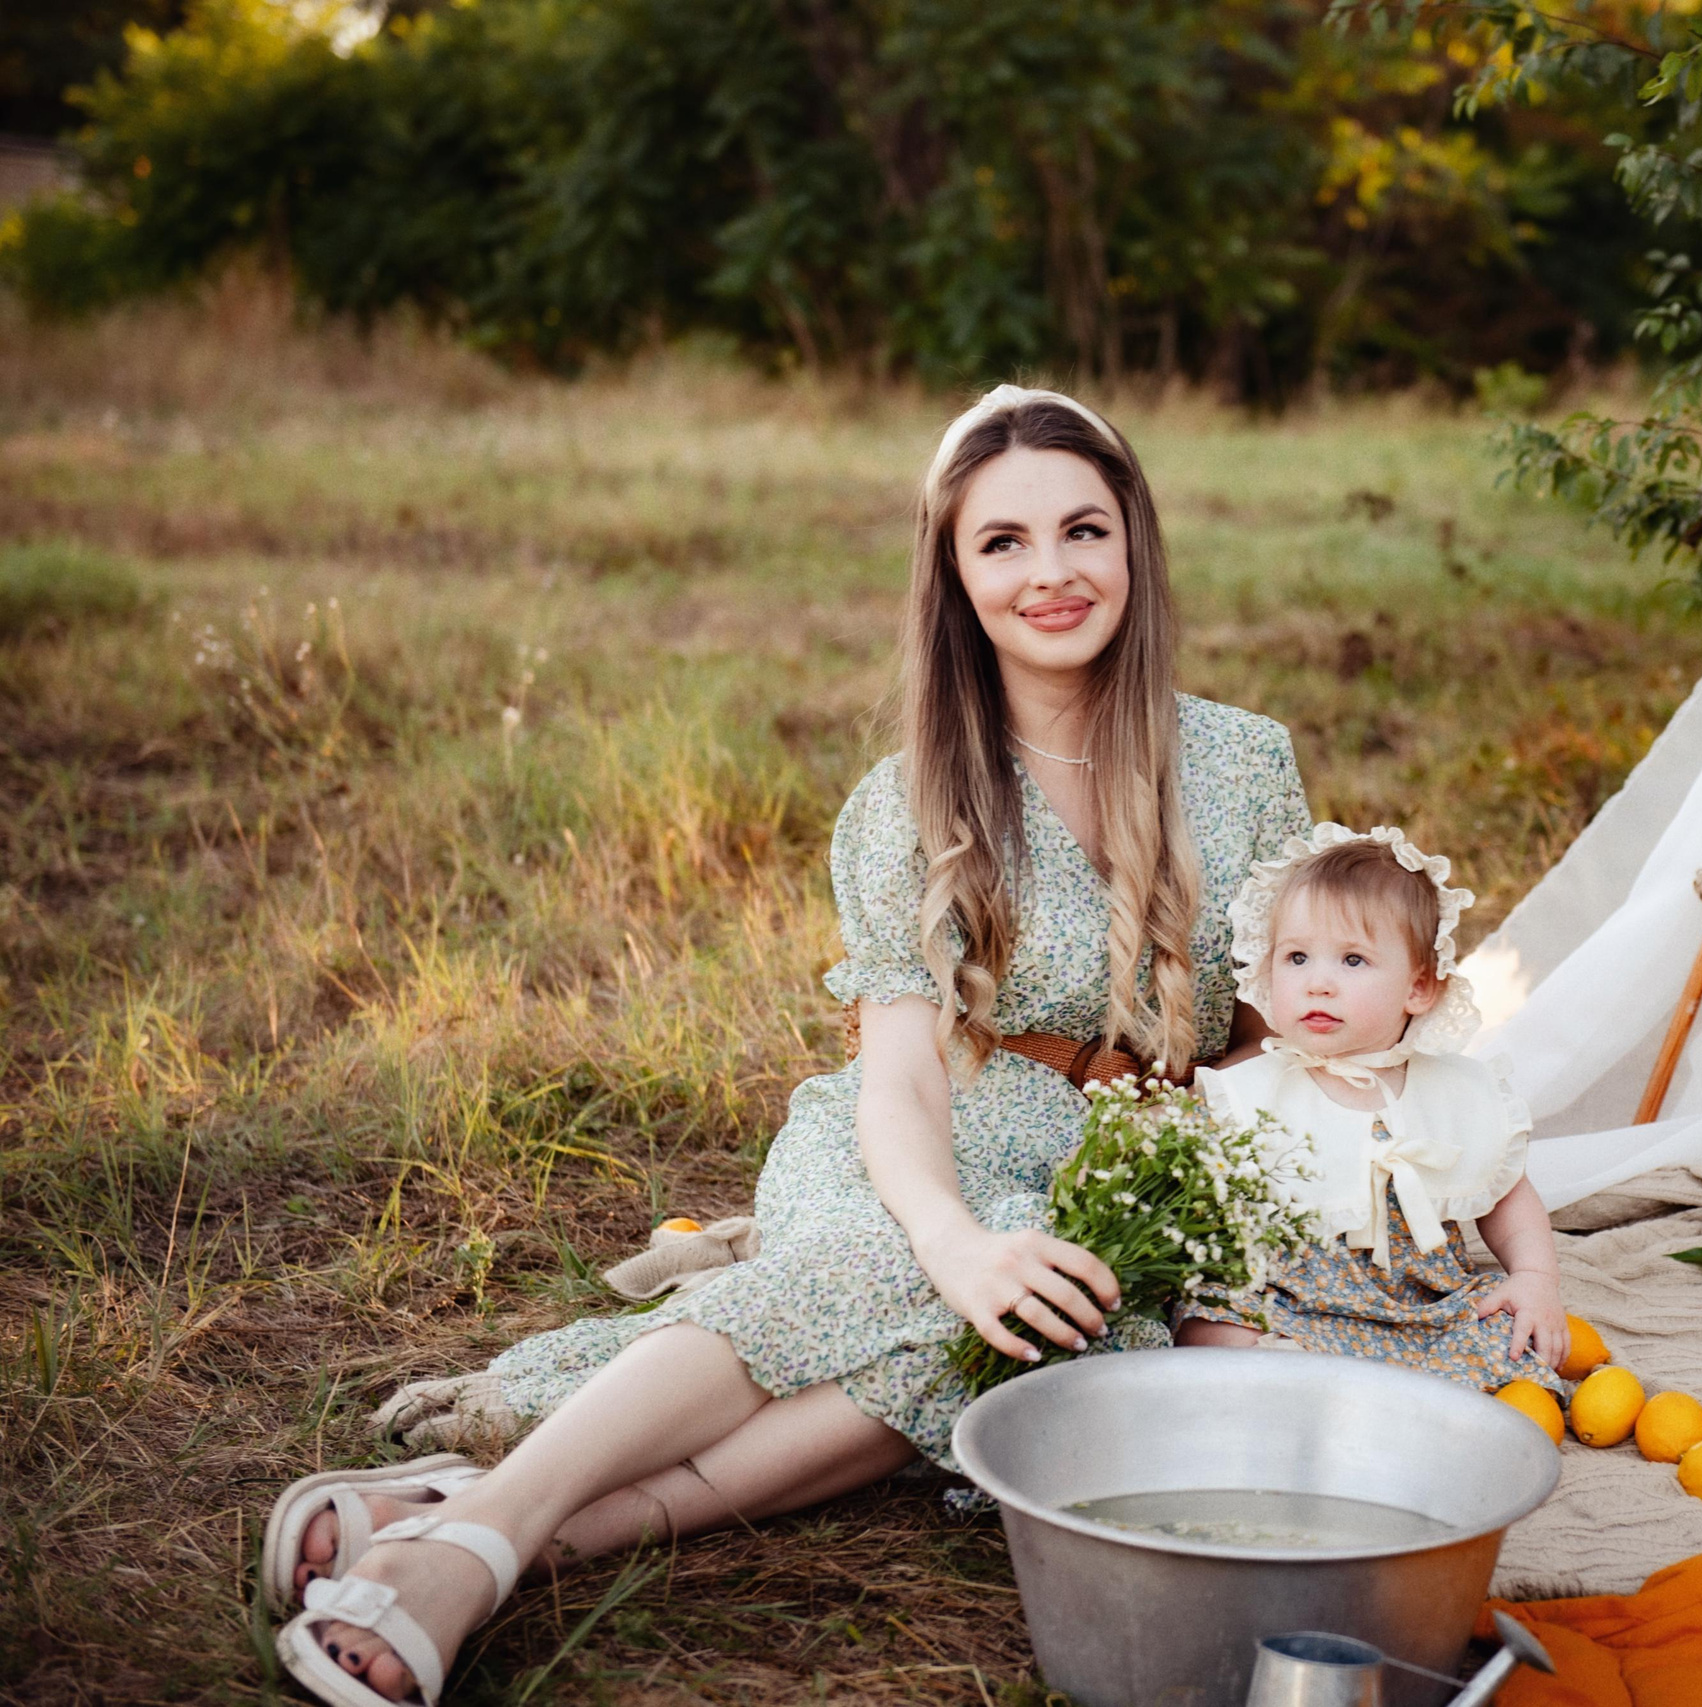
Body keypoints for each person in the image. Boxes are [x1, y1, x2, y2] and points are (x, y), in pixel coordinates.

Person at [268, 386, 1310, 1707]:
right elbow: (902, 1074)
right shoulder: (910, 799)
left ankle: (481, 1527)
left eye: (1082, 529)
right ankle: (488, 1534)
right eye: (1002, 542)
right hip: (930, 1145)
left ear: (1134, 542)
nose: (1050, 572)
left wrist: (1215, 1194)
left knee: (1041, 1330)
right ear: (952, 574)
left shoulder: (1245, 763)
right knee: (941, 1285)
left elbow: (1273, 1034)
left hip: (1129, 1166)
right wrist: (953, 1238)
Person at [1177, 825, 1568, 1392]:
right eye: (1297, 957)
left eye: (1353, 960)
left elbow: (1508, 1194)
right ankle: (1298, 1383)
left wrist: (1534, 1277)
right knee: (1210, 1328)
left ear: (1419, 988)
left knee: (1508, 1340)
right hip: (1290, 1302)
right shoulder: (1249, 1091)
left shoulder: (1451, 1089)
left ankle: (1385, 1392)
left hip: (1420, 1306)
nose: (1318, 983)